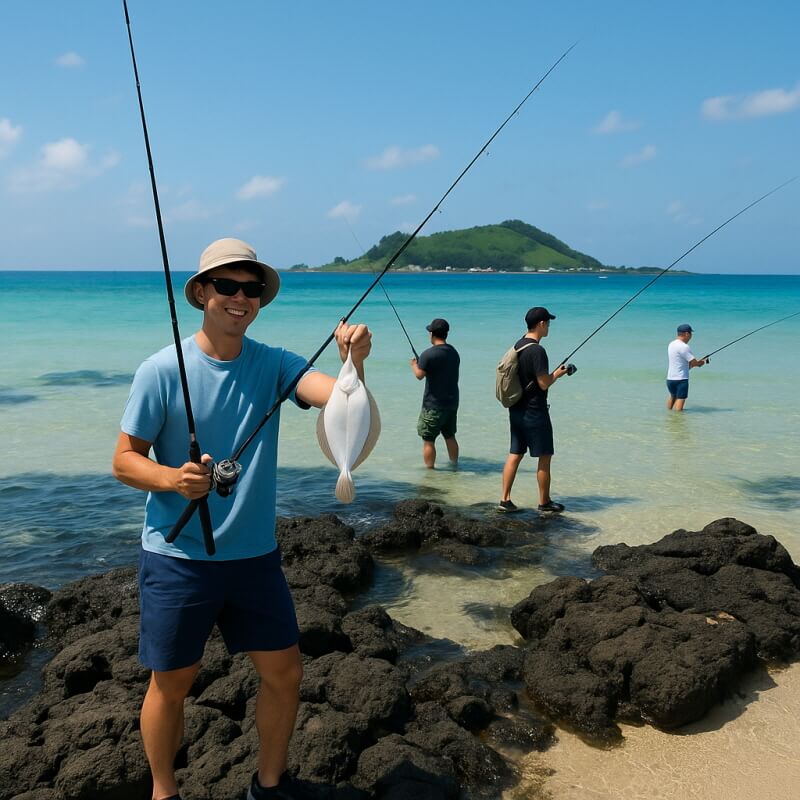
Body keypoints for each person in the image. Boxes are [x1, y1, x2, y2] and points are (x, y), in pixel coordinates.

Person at [112, 237, 372, 800]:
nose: (240, 298)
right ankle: (163, 792)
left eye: (251, 289)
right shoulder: (161, 369)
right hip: (177, 558)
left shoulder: (275, 363)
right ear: (202, 292)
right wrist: (172, 479)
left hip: (255, 558)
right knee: (171, 684)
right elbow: (124, 460)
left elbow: (334, 397)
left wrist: (352, 363)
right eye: (227, 286)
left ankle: (269, 786)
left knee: (285, 674)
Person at [499, 306, 568, 514]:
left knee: (515, 453)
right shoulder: (537, 350)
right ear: (541, 324)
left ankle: (505, 500)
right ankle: (544, 502)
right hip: (535, 411)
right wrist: (558, 374)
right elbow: (543, 382)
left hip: (516, 409)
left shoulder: (519, 345)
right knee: (544, 456)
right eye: (548, 323)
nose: (549, 327)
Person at [410, 318, 460, 468]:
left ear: (431, 333)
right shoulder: (454, 353)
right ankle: (454, 465)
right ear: (446, 334)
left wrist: (414, 364)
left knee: (428, 439)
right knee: (450, 436)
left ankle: (430, 472)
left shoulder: (428, 354)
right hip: (451, 403)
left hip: (433, 405)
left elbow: (419, 375)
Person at [666, 323, 708, 411]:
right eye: (691, 334)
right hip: (681, 379)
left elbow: (680, 362)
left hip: (670, 379)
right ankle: (678, 421)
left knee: (673, 396)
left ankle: (669, 416)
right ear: (687, 334)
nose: (691, 336)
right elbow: (694, 363)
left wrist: (694, 364)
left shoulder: (671, 344)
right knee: (680, 402)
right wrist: (701, 362)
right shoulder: (684, 347)